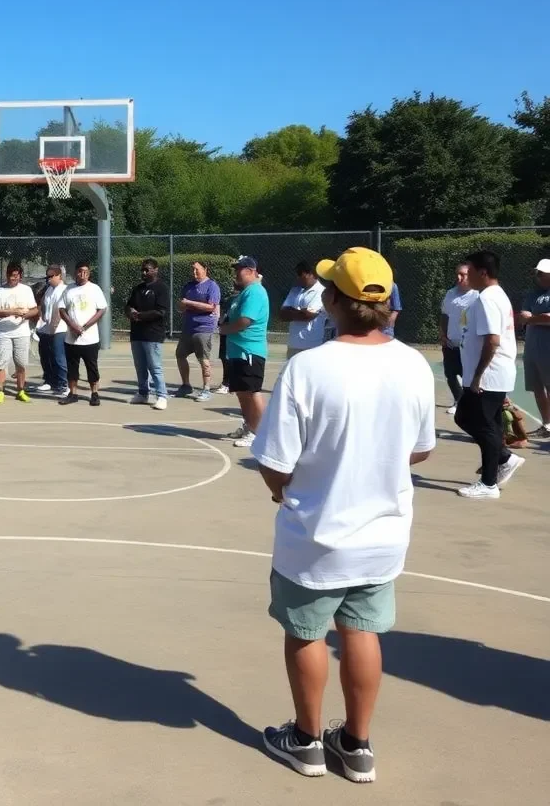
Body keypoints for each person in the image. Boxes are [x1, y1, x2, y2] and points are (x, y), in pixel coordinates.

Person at [252, 247, 435, 783]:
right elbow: (420, 449)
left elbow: (274, 461)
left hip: (316, 533)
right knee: (362, 632)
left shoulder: (309, 367)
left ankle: (307, 741)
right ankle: (356, 745)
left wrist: (283, 491)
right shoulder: (412, 364)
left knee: (306, 633)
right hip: (383, 529)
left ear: (333, 300)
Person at [455, 250, 523, 499]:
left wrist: (477, 376)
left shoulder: (487, 299)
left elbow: (492, 341)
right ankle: (503, 461)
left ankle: (489, 483)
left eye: (470, 271)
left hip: (488, 376)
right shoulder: (494, 295)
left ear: (482, 272)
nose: (467, 275)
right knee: (485, 424)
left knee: (473, 420)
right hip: (492, 374)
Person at [219, 256, 270, 448]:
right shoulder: (245, 292)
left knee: (251, 392)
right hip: (238, 352)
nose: (235, 273)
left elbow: (244, 321)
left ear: (251, 270)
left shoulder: (255, 292)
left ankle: (259, 432)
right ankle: (249, 426)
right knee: (242, 392)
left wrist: (225, 329)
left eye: (239, 269)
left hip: (250, 351)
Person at [57, 262, 108, 407]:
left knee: (92, 367)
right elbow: (62, 310)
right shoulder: (68, 289)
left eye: (85, 271)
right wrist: (72, 326)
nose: (83, 274)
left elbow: (101, 310)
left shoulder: (95, 289)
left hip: (90, 338)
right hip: (71, 339)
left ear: (89, 273)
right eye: (80, 271)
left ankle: (94, 393)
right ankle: (73, 393)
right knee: (72, 368)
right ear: (75, 273)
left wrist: (84, 327)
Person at [0, 262, 39, 404]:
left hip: (22, 332)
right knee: (2, 362)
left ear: (20, 276)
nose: (13, 279)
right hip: (4, 332)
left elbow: (35, 309)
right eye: (11, 276)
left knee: (21, 363)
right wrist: (11, 312)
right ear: (7, 276)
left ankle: (21, 390)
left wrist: (25, 315)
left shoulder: (26, 290)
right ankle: (0, 391)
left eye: (16, 276)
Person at [126, 258, 170, 409]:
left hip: (153, 334)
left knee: (155, 366)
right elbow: (128, 305)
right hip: (137, 333)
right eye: (143, 270)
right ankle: (143, 393)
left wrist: (140, 316)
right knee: (140, 366)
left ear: (155, 270)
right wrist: (130, 312)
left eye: (148, 270)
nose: (144, 272)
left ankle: (162, 395)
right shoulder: (137, 288)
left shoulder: (161, 288)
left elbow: (161, 311)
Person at [175, 260, 220, 401]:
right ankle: (186, 385)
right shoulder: (188, 287)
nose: (194, 273)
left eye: (197, 269)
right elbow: (180, 306)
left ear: (205, 269)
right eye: (192, 270)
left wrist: (189, 303)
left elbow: (211, 307)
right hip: (188, 328)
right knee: (180, 354)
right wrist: (182, 306)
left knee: (204, 360)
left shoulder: (212, 286)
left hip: (204, 329)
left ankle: (206, 389)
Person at [439, 262, 478, 415]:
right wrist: (443, 334)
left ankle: (472, 406)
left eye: (463, 274)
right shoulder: (450, 293)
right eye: (457, 274)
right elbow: (444, 314)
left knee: (467, 376)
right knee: (450, 374)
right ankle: (458, 401)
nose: (459, 277)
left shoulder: (477, 295)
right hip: (450, 343)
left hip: (469, 345)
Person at [518, 257, 550, 437]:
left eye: (541, 274)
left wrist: (532, 319)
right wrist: (538, 318)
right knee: (537, 388)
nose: (538, 277)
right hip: (531, 349)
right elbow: (523, 316)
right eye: (537, 273)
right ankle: (547, 425)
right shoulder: (532, 294)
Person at [279, 261, 326, 358]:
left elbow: (308, 315)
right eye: (297, 274)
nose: (298, 277)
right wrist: (301, 312)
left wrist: (292, 311)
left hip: (312, 346)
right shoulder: (295, 290)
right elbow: (282, 314)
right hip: (293, 345)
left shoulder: (321, 291)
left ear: (311, 274)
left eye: (300, 274)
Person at [36, 264, 69, 395]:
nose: (48, 279)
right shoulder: (49, 289)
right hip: (46, 328)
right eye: (47, 276)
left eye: (51, 276)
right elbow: (43, 304)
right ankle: (49, 381)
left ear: (59, 276)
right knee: (46, 356)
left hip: (59, 329)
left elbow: (59, 310)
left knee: (59, 357)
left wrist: (54, 327)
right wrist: (43, 318)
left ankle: (63, 383)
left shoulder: (64, 290)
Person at [212, 290, 233, 394]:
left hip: (231, 332)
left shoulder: (243, 297)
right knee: (224, 357)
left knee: (228, 358)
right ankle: (227, 383)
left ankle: (227, 384)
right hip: (225, 331)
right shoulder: (228, 298)